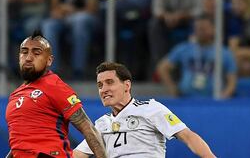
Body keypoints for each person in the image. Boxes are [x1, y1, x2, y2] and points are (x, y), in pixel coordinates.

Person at [73, 62, 216, 158]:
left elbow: (188, 136)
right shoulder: (101, 124)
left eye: (109, 82)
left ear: (127, 85)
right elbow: (78, 155)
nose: (104, 89)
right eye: (100, 85)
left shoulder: (151, 109)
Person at [5, 31, 107, 158]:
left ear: (49, 60)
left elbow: (88, 128)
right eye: (24, 52)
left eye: (36, 53)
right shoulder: (15, 94)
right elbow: (19, 144)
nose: (29, 57)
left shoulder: (54, 86)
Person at [41, 0, 99, 80]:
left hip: (84, 17)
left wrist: (74, 11)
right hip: (63, 17)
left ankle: (78, 70)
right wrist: (59, 11)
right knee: (48, 25)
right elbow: (54, 6)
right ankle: (52, 71)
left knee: (80, 21)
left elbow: (91, 8)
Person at [148, 0, 208, 73]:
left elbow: (199, 9)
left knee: (198, 24)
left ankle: (191, 68)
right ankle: (161, 66)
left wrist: (180, 16)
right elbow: (157, 8)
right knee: (154, 25)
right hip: (167, 19)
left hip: (189, 19)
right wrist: (166, 16)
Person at [157, 14, 237, 98]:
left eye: (203, 28)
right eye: (197, 29)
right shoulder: (184, 49)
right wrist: (172, 88)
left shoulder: (224, 52)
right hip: (186, 99)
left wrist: (224, 96)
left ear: (213, 29)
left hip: (213, 100)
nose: (200, 32)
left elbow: (232, 80)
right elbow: (162, 68)